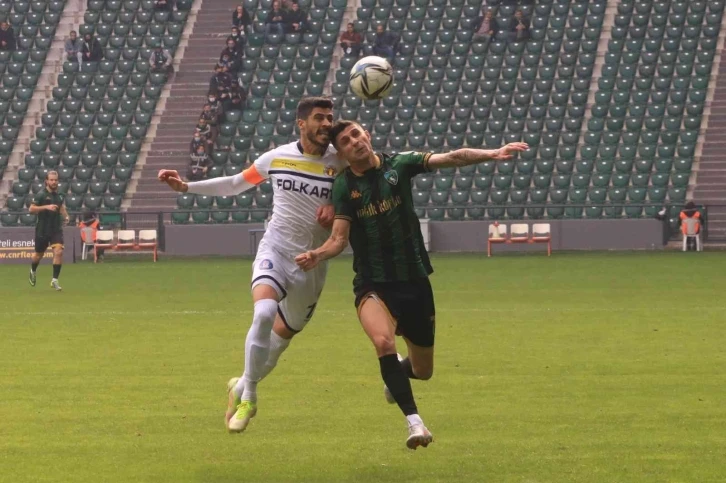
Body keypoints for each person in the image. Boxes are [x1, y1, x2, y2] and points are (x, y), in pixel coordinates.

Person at [295, 120, 528, 449]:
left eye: (356, 134)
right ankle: (415, 423)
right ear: (343, 153)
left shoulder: (400, 165)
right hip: (373, 283)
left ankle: (399, 376)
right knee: (383, 342)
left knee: (423, 370)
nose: (354, 142)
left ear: (367, 135)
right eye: (345, 141)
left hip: (415, 281)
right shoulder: (345, 187)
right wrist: (316, 255)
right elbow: (338, 240)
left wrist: (492, 153)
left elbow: (451, 157)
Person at [157, 97, 347, 434]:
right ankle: (250, 399)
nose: (326, 124)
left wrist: (336, 203)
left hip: (312, 264)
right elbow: (235, 184)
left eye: (330, 118)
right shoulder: (278, 158)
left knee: (276, 347)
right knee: (263, 313)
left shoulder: (340, 162)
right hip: (275, 250)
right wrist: (186, 186)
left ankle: (241, 385)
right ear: (301, 123)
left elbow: (358, 194)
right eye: (319, 117)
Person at [28, 171, 69, 291]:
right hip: (42, 229)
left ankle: (54, 280)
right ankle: (33, 270)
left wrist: (66, 216)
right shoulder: (41, 194)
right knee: (38, 255)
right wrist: (46, 207)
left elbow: (61, 206)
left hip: (56, 229)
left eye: (55, 180)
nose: (54, 182)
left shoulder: (60, 194)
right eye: (51, 180)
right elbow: (31, 209)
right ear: (46, 181)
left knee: (58, 251)